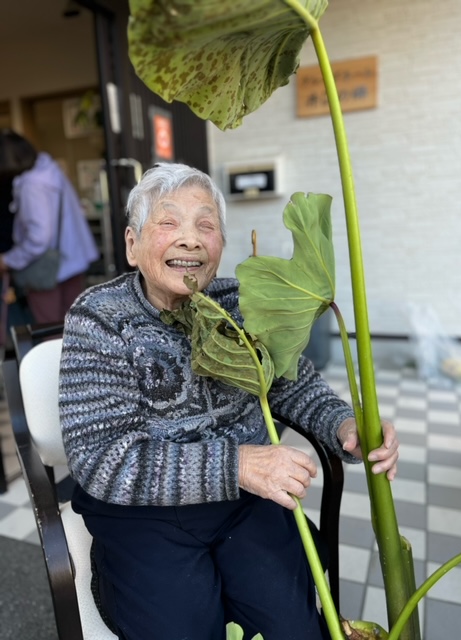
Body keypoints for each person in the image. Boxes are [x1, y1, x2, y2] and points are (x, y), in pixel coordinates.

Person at [58, 163, 399, 640]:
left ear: (219, 244)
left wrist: (345, 424)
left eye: (206, 224)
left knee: (297, 627)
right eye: (168, 222)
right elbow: (100, 460)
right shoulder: (99, 318)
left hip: (243, 505)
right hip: (144, 514)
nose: (190, 239)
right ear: (133, 245)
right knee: (185, 627)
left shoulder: (238, 303)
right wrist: (235, 464)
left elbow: (293, 385)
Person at [0, 130, 99, 324]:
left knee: (50, 331)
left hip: (48, 269)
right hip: (71, 260)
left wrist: (8, 260)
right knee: (74, 329)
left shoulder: (31, 186)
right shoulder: (49, 171)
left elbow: (39, 238)